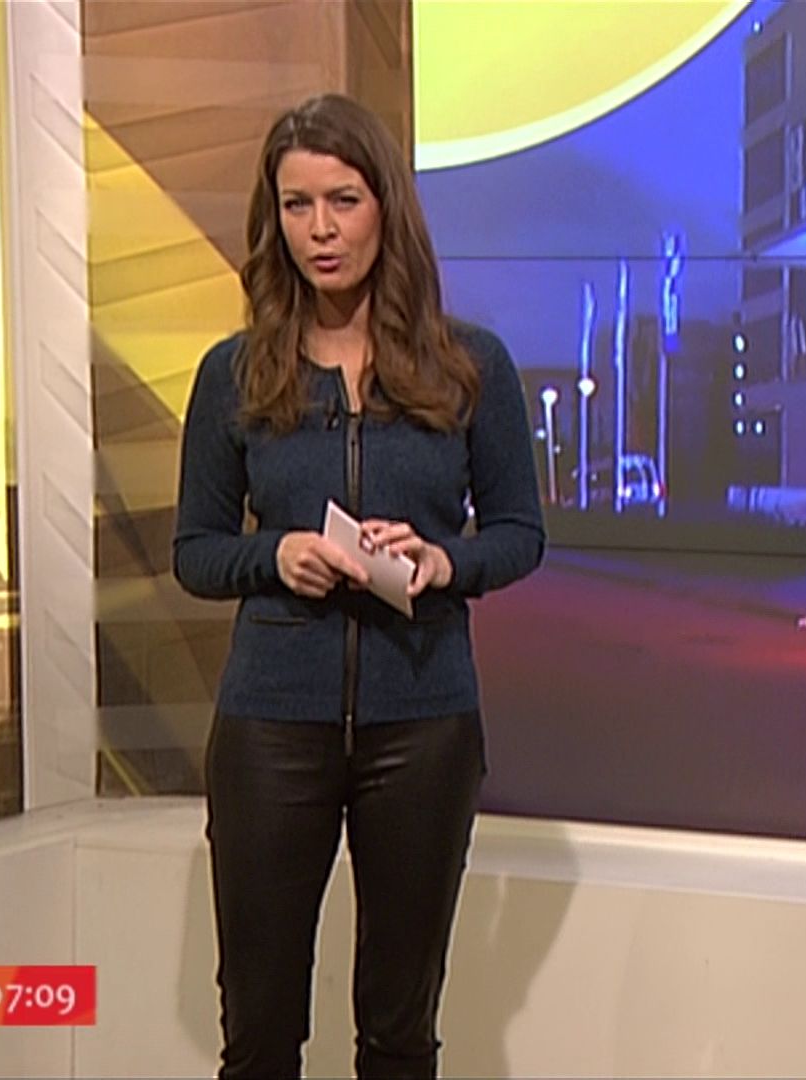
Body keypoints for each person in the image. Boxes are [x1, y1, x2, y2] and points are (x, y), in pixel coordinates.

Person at [172, 92, 544, 1079]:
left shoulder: (471, 366)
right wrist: (274, 556)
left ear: (386, 208)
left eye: (343, 200)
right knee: (259, 1035)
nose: (321, 230)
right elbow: (196, 550)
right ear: (274, 218)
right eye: (297, 205)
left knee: (397, 1033)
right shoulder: (233, 373)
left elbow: (520, 534)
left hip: (422, 726)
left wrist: (444, 561)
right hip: (271, 728)